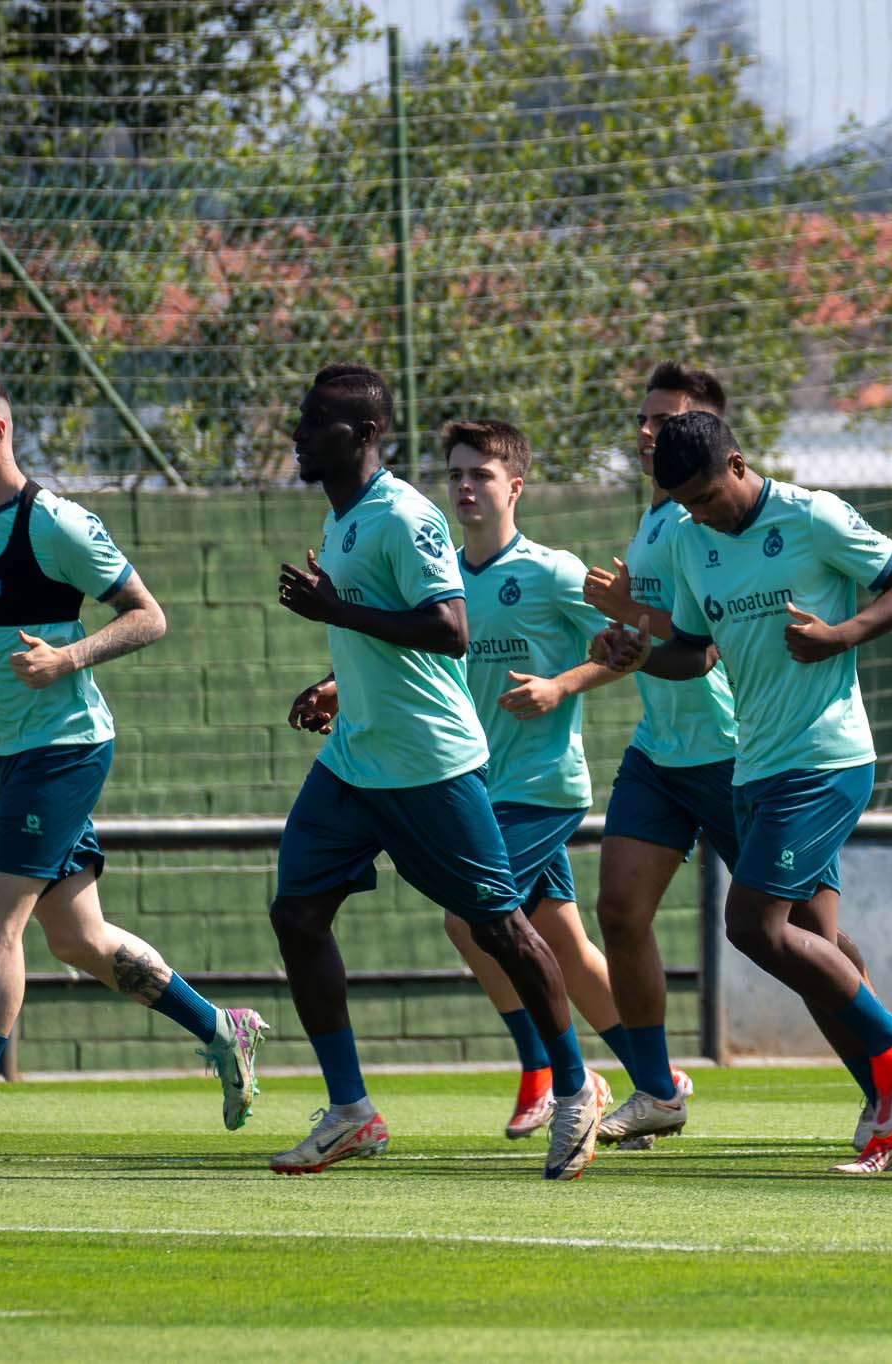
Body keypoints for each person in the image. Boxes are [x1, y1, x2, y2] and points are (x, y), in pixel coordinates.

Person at [0, 371, 263, 1162]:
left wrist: (71, 657)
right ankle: (223, 1029)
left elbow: (149, 616)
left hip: (66, 749)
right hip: (11, 754)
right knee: (80, 941)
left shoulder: (57, 524)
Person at [268, 362, 604, 1179]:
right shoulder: (344, 517)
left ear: (361, 435)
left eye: (315, 421)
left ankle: (572, 1088)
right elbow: (381, 635)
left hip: (428, 763)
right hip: (355, 760)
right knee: (296, 913)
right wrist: (338, 685)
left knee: (500, 928)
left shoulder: (404, 515)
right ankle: (351, 1111)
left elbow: (449, 628)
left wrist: (333, 611)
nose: (299, 434)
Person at [592, 410, 892, 1174]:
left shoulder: (812, 516)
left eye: (709, 496)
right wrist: (635, 653)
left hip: (826, 758)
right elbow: (695, 652)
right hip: (755, 764)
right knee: (814, 943)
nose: (701, 513)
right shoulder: (688, 540)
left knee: (751, 924)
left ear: (739, 464)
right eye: (685, 503)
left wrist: (839, 636)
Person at [435, 417, 687, 1141]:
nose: (464, 487)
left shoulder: (549, 571)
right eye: (454, 474)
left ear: (515, 486)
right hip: (477, 787)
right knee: (566, 947)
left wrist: (560, 686)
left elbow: (628, 646)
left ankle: (550, 1074)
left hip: (542, 784)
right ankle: (655, 1087)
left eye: (479, 474)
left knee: (470, 919)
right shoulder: (443, 579)